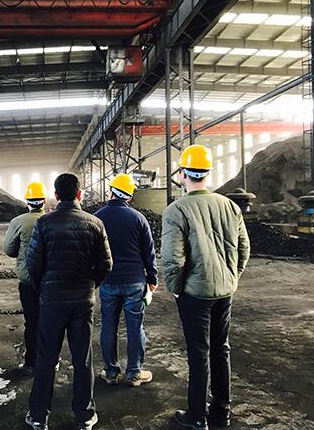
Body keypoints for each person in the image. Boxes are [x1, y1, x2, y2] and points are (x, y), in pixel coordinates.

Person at [161, 145, 250, 430]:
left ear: (182, 174)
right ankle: (222, 412)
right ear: (207, 173)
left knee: (199, 352)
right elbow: (244, 248)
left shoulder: (177, 210)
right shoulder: (230, 206)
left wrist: (175, 287)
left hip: (195, 293)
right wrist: (232, 276)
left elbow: (173, 258)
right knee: (221, 348)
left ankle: (197, 416)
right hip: (225, 290)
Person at [25, 173, 112, 430]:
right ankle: (85, 415)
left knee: (46, 358)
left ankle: (39, 416)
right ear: (79, 194)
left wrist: (44, 289)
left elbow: (33, 265)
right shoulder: (95, 224)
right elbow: (106, 265)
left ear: (55, 196)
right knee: (82, 358)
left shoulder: (44, 223)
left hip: (51, 301)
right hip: (82, 302)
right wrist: (90, 285)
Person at [94, 173, 158, 387]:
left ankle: (111, 372)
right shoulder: (138, 218)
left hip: (108, 281)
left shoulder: (97, 218)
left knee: (108, 326)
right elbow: (149, 252)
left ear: (110, 192)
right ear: (129, 197)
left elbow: (92, 252)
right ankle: (134, 373)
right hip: (134, 282)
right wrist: (152, 278)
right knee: (135, 327)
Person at [2, 182, 48, 375]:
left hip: (28, 281)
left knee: (31, 322)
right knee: (49, 321)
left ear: (27, 201)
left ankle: (31, 363)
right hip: (49, 281)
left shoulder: (18, 222)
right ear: (44, 201)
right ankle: (50, 360)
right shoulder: (52, 220)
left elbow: (9, 249)